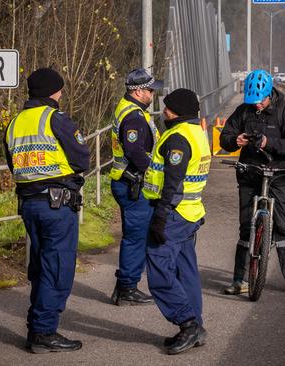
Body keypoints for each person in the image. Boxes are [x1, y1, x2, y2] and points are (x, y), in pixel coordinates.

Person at [4, 67, 90, 353]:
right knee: (57, 269)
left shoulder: (15, 123)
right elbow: (81, 158)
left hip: (30, 204)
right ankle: (43, 332)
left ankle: (36, 326)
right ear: (53, 92)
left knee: (41, 266)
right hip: (57, 205)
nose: (62, 94)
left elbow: (12, 164)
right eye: (60, 89)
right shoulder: (56, 119)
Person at [218, 69, 285, 295]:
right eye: (252, 101)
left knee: (284, 227)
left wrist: (268, 142)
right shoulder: (243, 112)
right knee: (246, 227)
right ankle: (240, 279)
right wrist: (234, 141)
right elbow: (224, 138)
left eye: (260, 101)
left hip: (278, 174)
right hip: (250, 173)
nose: (256, 105)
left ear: (268, 95)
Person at [142, 88, 211, 355]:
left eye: (168, 108)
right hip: (190, 212)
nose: (164, 112)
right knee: (186, 269)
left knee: (158, 268)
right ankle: (196, 326)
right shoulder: (197, 132)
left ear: (177, 112)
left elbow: (173, 182)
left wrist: (160, 217)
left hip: (174, 213)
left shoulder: (179, 138)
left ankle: (188, 323)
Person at [108, 68, 163, 306]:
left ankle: (124, 287)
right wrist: (154, 171)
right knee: (136, 237)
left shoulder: (131, 109)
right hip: (133, 183)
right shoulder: (133, 117)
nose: (153, 94)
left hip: (127, 181)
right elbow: (134, 151)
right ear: (139, 91)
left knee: (136, 235)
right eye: (151, 90)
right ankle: (128, 287)